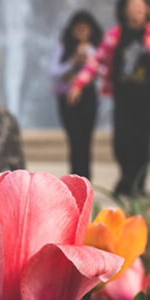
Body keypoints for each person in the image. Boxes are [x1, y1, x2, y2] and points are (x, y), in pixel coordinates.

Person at [68, 0, 150, 196]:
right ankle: (127, 178)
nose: (139, 9)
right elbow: (96, 61)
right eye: (134, 5)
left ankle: (137, 185)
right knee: (121, 141)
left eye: (142, 4)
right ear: (124, 10)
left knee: (142, 141)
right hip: (123, 96)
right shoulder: (114, 36)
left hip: (148, 96)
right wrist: (78, 84)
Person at [50, 10, 103, 179]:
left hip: (87, 97)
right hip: (68, 98)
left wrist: (89, 60)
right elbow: (54, 71)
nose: (81, 34)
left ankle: (86, 177)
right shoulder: (64, 47)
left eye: (85, 30)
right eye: (78, 30)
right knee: (74, 138)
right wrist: (73, 61)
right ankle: (75, 175)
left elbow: (103, 71)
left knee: (86, 139)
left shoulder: (95, 49)